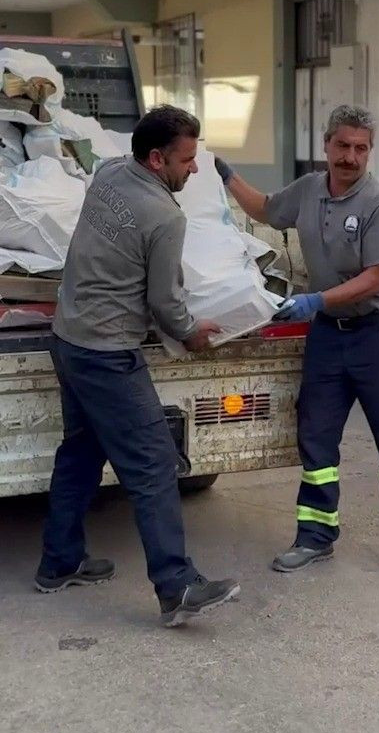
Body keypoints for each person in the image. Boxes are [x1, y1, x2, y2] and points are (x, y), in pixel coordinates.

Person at [215, 104, 379, 576]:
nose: (351, 157)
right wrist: (226, 176)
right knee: (316, 438)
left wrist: (316, 301)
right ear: (326, 145)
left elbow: (378, 277)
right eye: (343, 145)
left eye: (361, 148)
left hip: (378, 336)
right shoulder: (308, 190)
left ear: (369, 152)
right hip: (329, 337)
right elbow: (264, 209)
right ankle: (315, 536)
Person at [36, 105, 240, 626]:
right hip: (107, 353)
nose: (193, 170)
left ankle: (59, 564)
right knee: (152, 467)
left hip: (68, 337)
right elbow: (167, 305)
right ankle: (176, 586)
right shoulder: (166, 216)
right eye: (187, 160)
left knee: (81, 453)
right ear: (156, 159)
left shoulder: (107, 173)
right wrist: (195, 334)